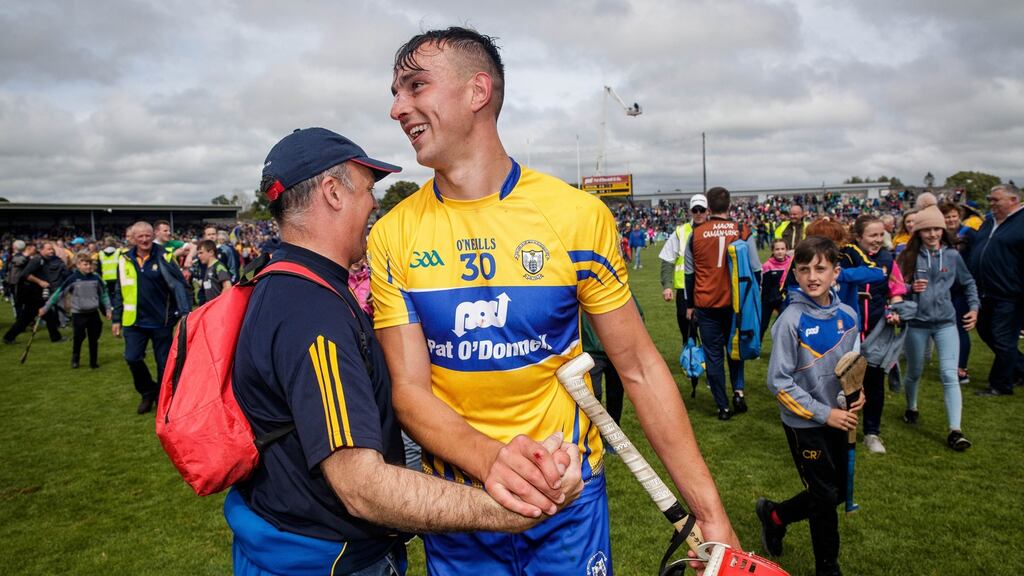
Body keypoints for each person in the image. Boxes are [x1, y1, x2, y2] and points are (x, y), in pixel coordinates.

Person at [374, 27, 739, 575]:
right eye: (396, 92)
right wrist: (492, 460)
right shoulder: (392, 234)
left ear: (478, 91)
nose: (397, 107)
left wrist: (709, 514)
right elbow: (408, 391)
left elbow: (638, 368)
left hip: (568, 499)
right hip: (460, 508)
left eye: (415, 86)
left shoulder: (576, 215)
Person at [229, 127, 582, 575]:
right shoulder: (312, 312)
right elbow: (361, 486)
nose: (375, 203)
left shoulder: (284, 282)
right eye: (367, 188)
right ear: (333, 192)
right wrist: (510, 510)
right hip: (325, 561)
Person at [756, 236, 863, 576]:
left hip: (839, 416)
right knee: (824, 495)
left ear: (836, 273)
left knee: (838, 493)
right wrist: (824, 413)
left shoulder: (848, 315)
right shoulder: (790, 320)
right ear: (795, 274)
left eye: (821, 268)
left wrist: (857, 394)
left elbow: (853, 364)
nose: (812, 276)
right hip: (806, 424)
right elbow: (779, 383)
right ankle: (828, 568)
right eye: (804, 270)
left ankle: (774, 515)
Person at [895, 205, 979, 450]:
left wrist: (974, 308)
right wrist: (911, 289)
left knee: (948, 374)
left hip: (945, 323)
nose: (932, 234)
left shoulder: (952, 256)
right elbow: (895, 288)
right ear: (917, 232)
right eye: (926, 229)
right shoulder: (907, 257)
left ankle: (955, 430)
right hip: (917, 324)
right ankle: (911, 407)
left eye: (937, 229)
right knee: (915, 371)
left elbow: (969, 282)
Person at [684, 186, 761, 420]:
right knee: (735, 349)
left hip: (706, 303)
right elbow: (756, 269)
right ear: (729, 206)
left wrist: (690, 305)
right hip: (736, 303)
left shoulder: (695, 234)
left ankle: (723, 406)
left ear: (708, 207)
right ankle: (738, 392)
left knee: (714, 355)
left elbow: (689, 273)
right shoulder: (742, 230)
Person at [840, 215, 907, 454]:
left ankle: (871, 433)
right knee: (843, 382)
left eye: (881, 235)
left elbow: (896, 290)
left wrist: (896, 309)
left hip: (877, 330)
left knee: (874, 382)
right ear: (858, 237)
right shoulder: (846, 257)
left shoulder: (888, 260)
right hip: (847, 332)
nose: (878, 240)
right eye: (872, 235)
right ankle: (840, 428)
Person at [111, 222, 191, 414]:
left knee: (164, 364)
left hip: (161, 321)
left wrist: (184, 313)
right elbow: (119, 290)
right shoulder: (124, 259)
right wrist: (116, 318)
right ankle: (148, 391)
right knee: (132, 358)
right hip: (134, 321)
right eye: (141, 236)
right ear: (133, 238)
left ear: (152, 235)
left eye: (148, 235)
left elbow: (180, 285)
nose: (145, 240)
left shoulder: (164, 255)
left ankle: (164, 401)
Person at [969, 184, 1024, 396]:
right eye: (989, 199)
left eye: (996, 200)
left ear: (1013, 200)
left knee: (1003, 338)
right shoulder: (989, 221)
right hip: (985, 291)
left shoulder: (1020, 222)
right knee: (985, 331)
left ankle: (1001, 384)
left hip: (1010, 293)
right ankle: (1019, 368)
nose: (991, 204)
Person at [659, 193, 708, 391]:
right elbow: (667, 259)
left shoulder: (713, 230)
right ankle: (691, 360)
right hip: (684, 291)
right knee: (687, 328)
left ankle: (709, 365)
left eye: (701, 210)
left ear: (707, 211)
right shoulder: (680, 232)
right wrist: (667, 285)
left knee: (708, 329)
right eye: (695, 210)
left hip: (708, 289)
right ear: (690, 211)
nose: (698, 213)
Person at [39, 252, 111, 369]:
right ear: (78, 265)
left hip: (93, 314)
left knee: (94, 339)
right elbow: (58, 294)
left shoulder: (96, 278)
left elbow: (104, 295)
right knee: (78, 338)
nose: (88, 267)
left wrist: (108, 309)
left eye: (89, 264)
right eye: (85, 264)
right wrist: (46, 307)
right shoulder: (72, 279)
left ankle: (93, 362)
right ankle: (75, 358)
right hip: (79, 315)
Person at [939, 202, 975, 384]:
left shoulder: (969, 234)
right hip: (943, 290)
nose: (951, 219)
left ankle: (961, 367)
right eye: (947, 216)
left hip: (960, 289)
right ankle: (950, 365)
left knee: (960, 328)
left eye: (954, 216)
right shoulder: (938, 235)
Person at [2, 241, 50, 344]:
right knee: (30, 316)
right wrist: (41, 282)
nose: (52, 251)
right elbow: (26, 275)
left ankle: (55, 336)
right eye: (49, 249)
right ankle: (9, 336)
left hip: (29, 292)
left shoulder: (27, 259)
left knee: (39, 315)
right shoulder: (30, 260)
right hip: (29, 292)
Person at [760, 238, 790, 340]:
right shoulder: (766, 266)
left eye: (782, 249)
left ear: (786, 250)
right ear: (773, 251)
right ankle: (756, 348)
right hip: (767, 300)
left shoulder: (790, 264)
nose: (780, 251)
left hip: (783, 300)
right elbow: (762, 285)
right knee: (762, 325)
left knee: (781, 324)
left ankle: (780, 346)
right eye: (777, 249)